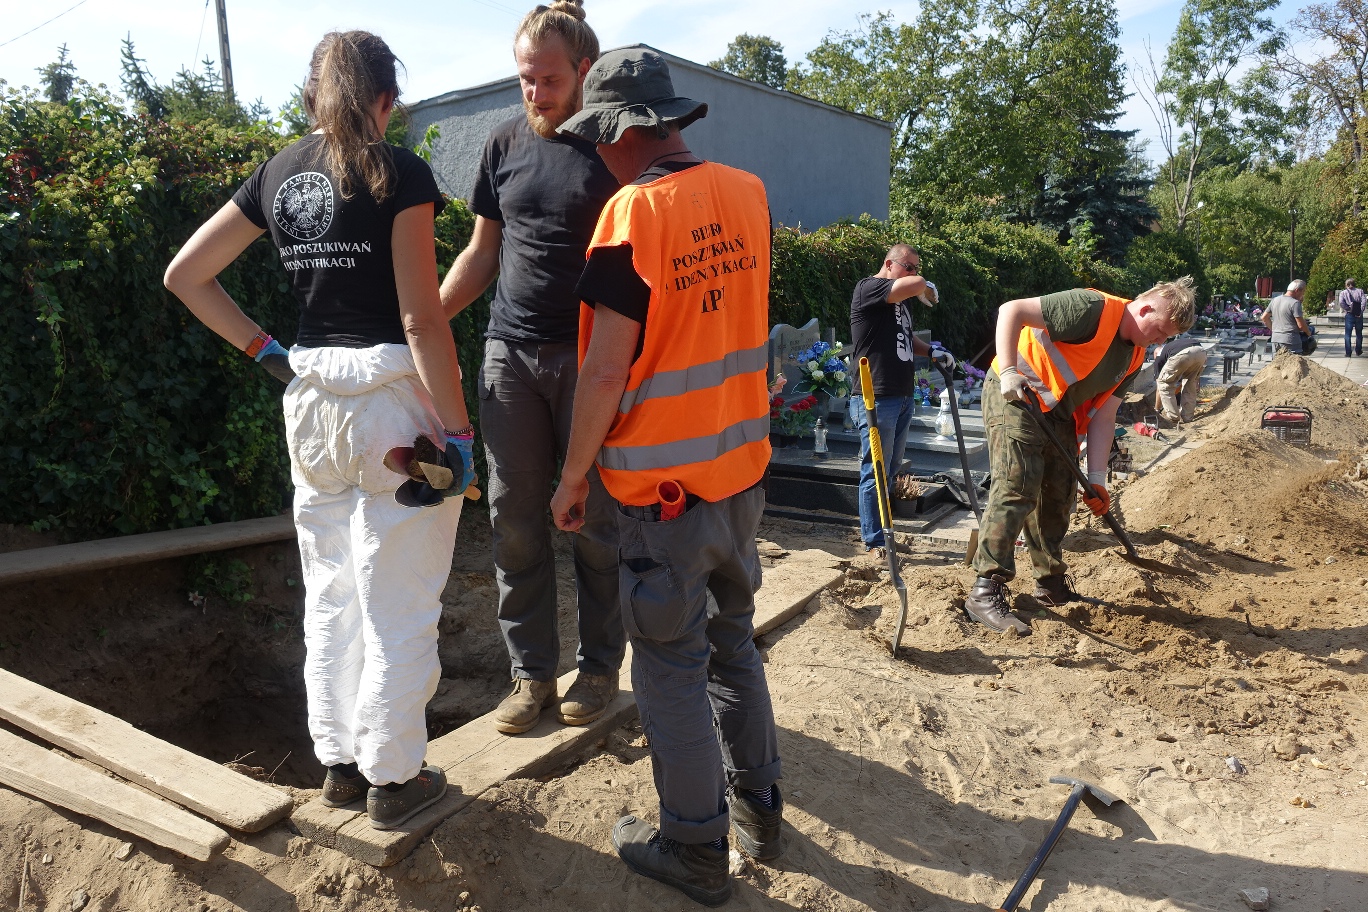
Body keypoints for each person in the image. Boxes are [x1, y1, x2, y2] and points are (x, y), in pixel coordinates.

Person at [164, 31, 473, 829]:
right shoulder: (400, 172)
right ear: (387, 100)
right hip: (390, 403)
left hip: (311, 404)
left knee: (331, 591)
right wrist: (460, 434)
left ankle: (339, 765)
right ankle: (395, 780)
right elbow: (421, 318)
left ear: (311, 96)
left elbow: (185, 274)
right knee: (398, 598)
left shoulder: (276, 173)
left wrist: (267, 353)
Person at [548, 46, 782, 907]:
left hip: (662, 495)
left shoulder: (631, 215)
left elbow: (606, 371)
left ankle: (693, 849)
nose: (595, 154)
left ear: (622, 131)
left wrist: (573, 478)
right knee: (734, 644)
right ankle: (761, 810)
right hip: (740, 477)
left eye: (596, 139)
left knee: (669, 666)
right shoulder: (748, 194)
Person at [439, 0, 624, 735]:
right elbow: (482, 252)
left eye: (549, 79)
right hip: (509, 355)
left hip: (591, 362)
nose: (535, 93)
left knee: (596, 522)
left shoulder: (614, 149)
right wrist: (424, 322)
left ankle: (600, 666)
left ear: (584, 70)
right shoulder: (503, 143)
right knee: (513, 520)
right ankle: (531, 675)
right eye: (525, 78)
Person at [964, 280, 1196, 633]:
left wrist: (1098, 480)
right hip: (1015, 394)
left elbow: (1105, 416)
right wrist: (1009, 371)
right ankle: (985, 589)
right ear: (1146, 308)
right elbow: (1012, 309)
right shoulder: (1091, 309)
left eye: (1167, 337)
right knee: (1017, 484)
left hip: (1057, 411)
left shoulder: (1134, 356)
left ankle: (1049, 583)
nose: (1160, 341)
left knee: (1059, 493)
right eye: (1161, 331)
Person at [848, 247, 954, 559]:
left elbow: (906, 337)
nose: (913, 273)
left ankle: (886, 533)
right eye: (908, 267)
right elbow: (917, 284)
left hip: (902, 394)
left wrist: (931, 351)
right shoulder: (869, 288)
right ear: (888, 264)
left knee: (891, 470)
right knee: (875, 470)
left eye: (916, 268)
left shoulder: (900, 303)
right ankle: (874, 542)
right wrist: (924, 284)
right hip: (876, 395)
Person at [1153, 334, 1209, 423]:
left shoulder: (1159, 358)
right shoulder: (1172, 346)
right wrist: (1197, 381)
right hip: (1201, 352)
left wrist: (1156, 409)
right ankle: (1188, 417)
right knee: (1190, 382)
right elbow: (1194, 357)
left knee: (1164, 383)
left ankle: (1173, 417)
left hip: (1183, 354)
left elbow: (1160, 388)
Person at [1262, 280, 1310, 354]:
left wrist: (1275, 330)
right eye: (1303, 291)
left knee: (1277, 360)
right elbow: (1301, 325)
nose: (1303, 295)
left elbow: (1264, 318)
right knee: (1292, 361)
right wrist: (1308, 333)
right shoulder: (1295, 303)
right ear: (1297, 290)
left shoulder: (1275, 300)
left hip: (1275, 339)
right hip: (1291, 340)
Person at [1338, 278, 1364, 357]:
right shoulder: (1360, 291)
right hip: (1358, 314)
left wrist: (1348, 309)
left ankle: (1348, 352)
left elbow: (1341, 302)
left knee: (1348, 334)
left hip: (1349, 314)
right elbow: (1364, 302)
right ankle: (1358, 350)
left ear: (1346, 285)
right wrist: (1360, 311)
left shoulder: (1343, 293)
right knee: (1359, 333)